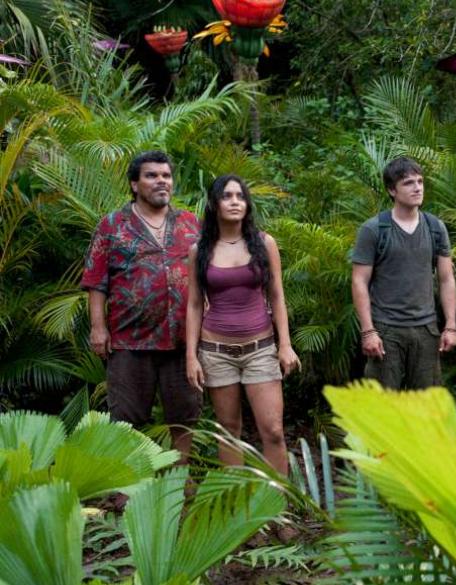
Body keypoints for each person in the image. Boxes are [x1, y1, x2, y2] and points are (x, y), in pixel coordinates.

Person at [81, 150, 202, 461]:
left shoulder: (190, 223)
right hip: (129, 342)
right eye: (152, 175)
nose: (161, 181)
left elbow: (208, 274)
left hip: (183, 341)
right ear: (134, 184)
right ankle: (129, 484)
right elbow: (96, 280)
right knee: (126, 420)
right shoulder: (112, 225)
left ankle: (181, 478)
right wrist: (97, 328)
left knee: (185, 416)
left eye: (166, 175)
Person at [185, 174, 300, 474]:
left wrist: (285, 345)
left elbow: (277, 295)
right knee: (229, 431)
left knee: (273, 430)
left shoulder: (263, 243)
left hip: (260, 349)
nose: (235, 202)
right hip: (216, 352)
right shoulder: (200, 250)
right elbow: (194, 304)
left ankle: (277, 499)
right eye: (227, 196)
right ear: (214, 204)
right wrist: (191, 357)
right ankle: (234, 499)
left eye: (240, 196)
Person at [350, 157, 456, 389]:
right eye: (408, 183)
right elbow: (359, 281)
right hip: (386, 330)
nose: (417, 188)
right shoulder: (374, 229)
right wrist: (368, 331)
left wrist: (450, 325)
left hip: (426, 329)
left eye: (420, 181)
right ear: (392, 190)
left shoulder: (435, 227)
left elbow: (446, 279)